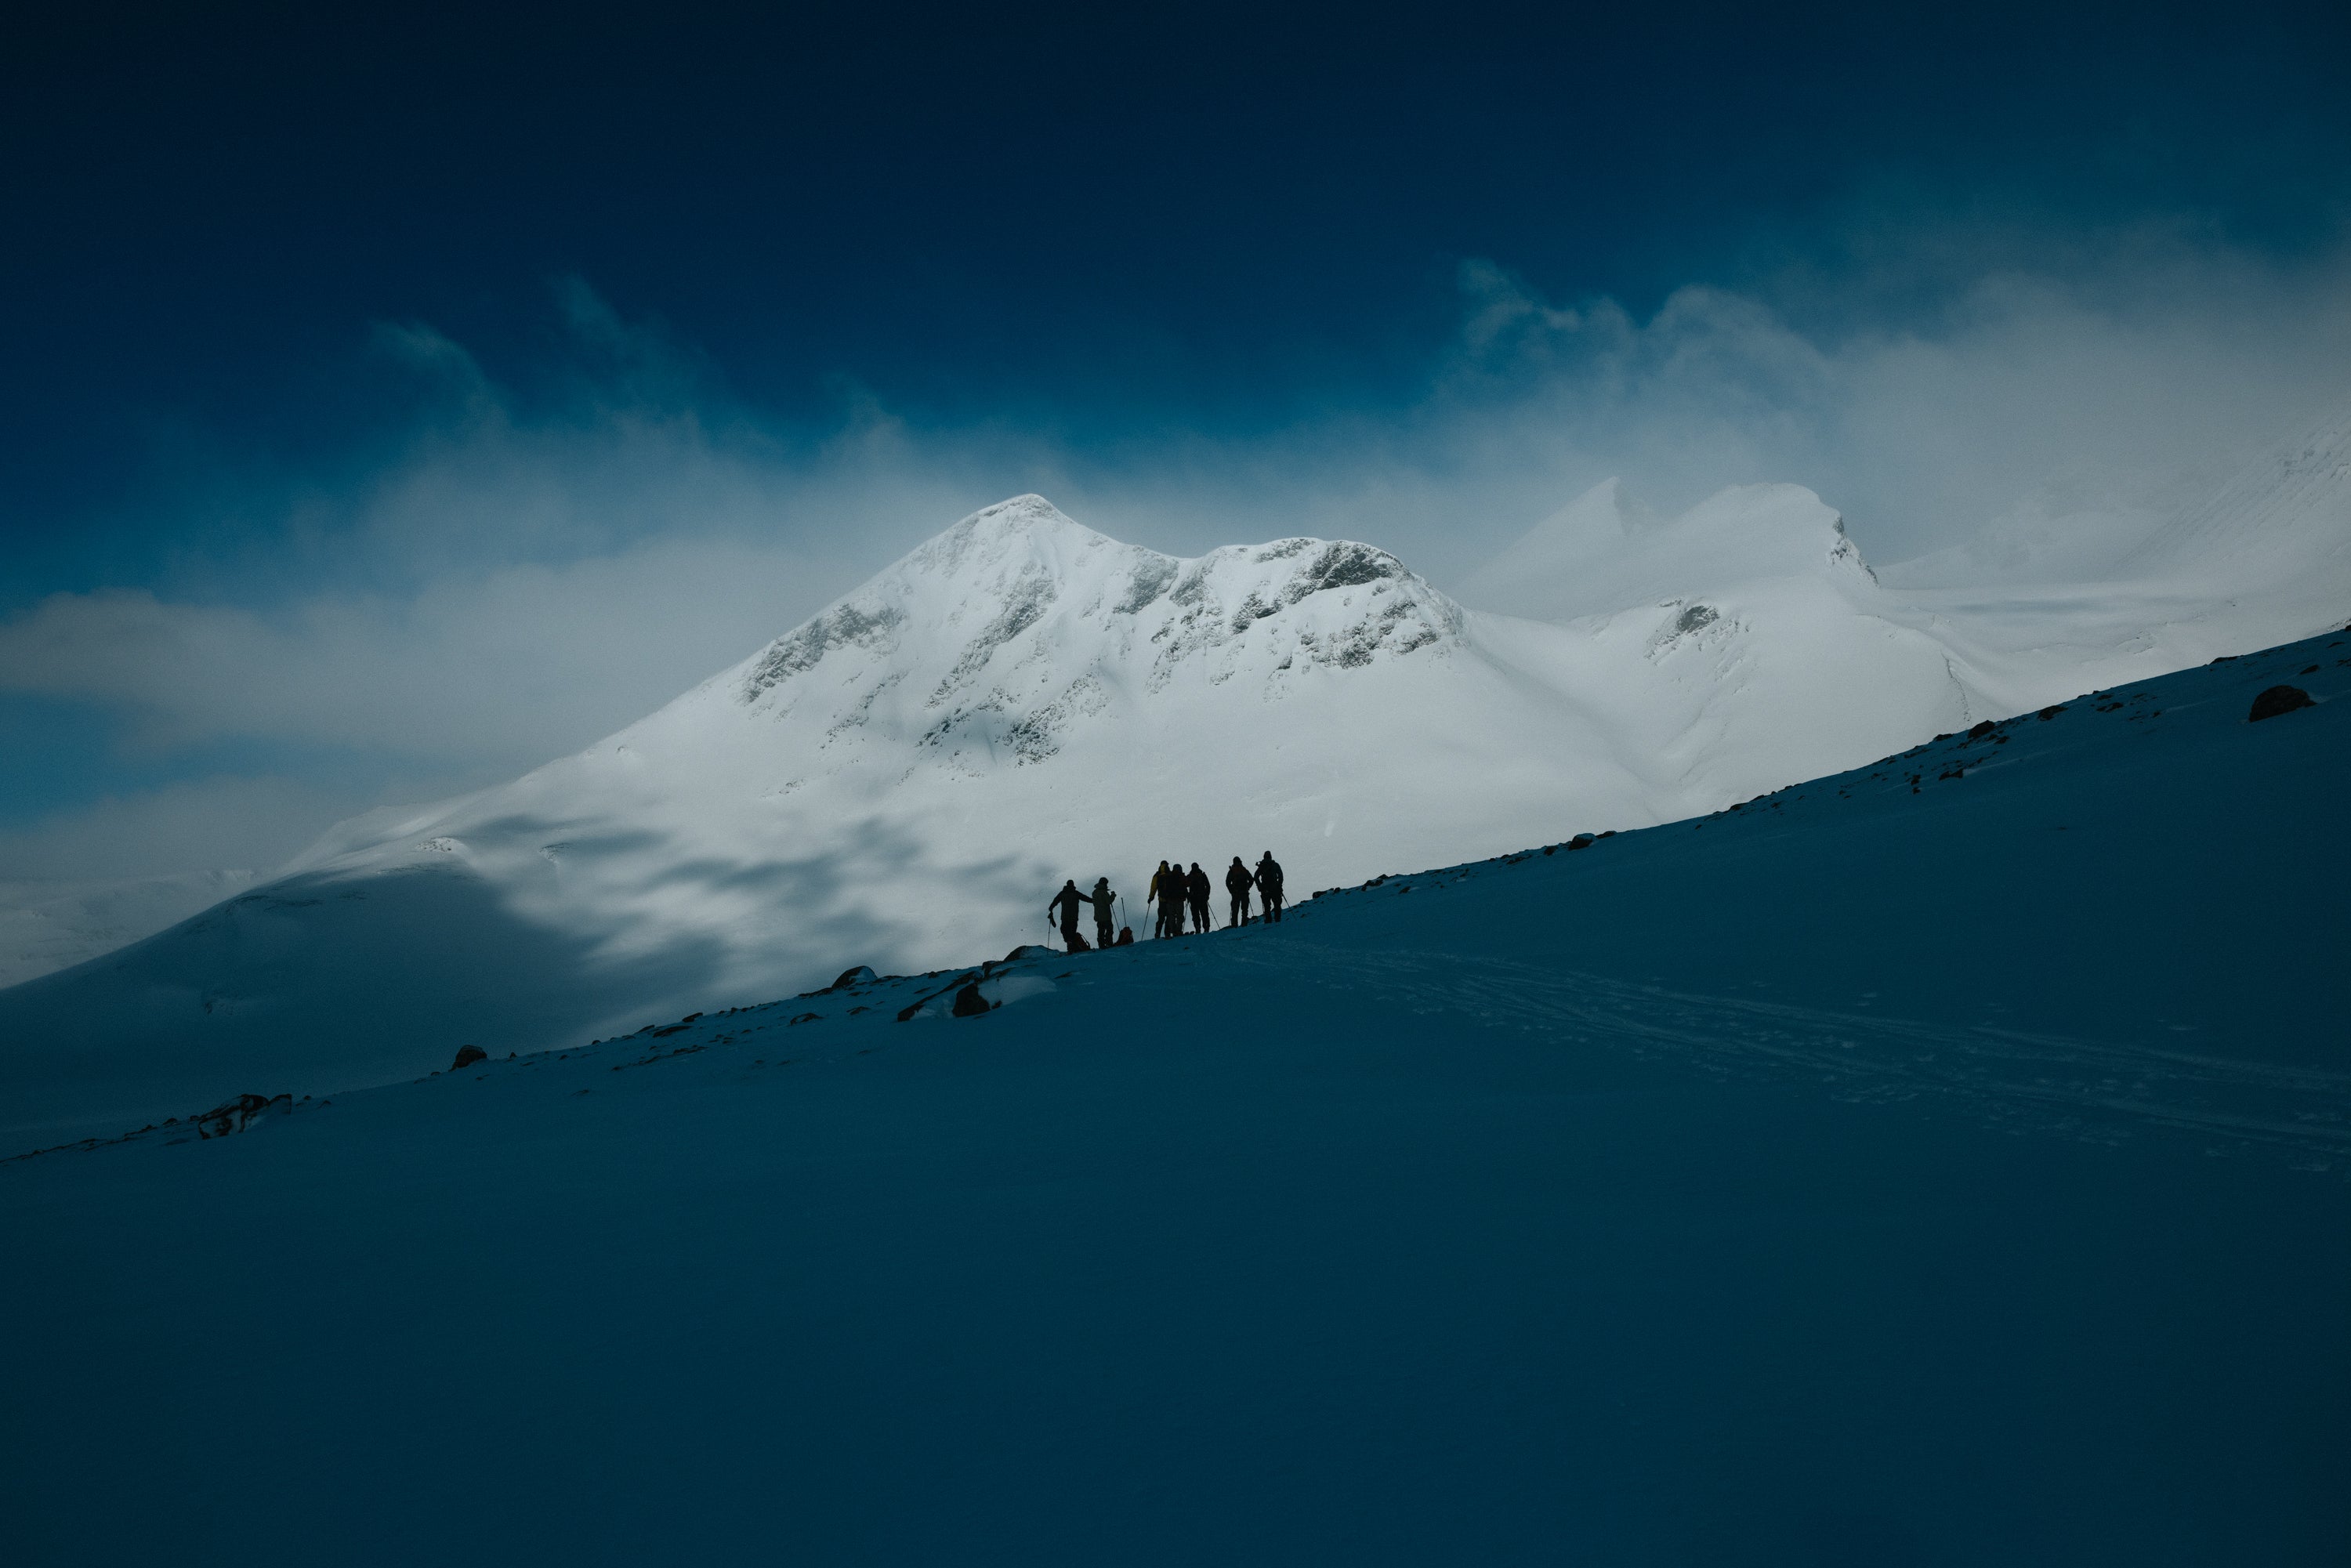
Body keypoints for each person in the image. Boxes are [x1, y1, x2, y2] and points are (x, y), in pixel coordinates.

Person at [1048, 878, 1089, 952]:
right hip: (1074, 917)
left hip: (1065, 917)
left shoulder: (1062, 893)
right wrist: (1094, 901)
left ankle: (1070, 947)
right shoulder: (1076, 893)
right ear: (1073, 885)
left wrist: (1051, 908)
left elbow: (1055, 901)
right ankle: (1072, 948)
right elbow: (1085, 898)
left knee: (1064, 931)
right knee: (1072, 932)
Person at [1078, 876, 1118, 950]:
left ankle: (1101, 945)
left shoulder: (1094, 892)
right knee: (1109, 929)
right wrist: (1113, 895)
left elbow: (1094, 903)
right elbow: (1108, 901)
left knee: (1101, 931)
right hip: (1106, 915)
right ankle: (1109, 943)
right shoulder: (1104, 892)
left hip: (1098, 915)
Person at [1157, 856, 1189, 936]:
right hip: (1179, 899)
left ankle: (1173, 931)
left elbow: (1165, 888)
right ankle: (1178, 931)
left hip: (1170, 900)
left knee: (1171, 916)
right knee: (1179, 916)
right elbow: (1187, 884)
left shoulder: (1168, 876)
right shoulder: (1181, 876)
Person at [1147, 860, 1175, 937]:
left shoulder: (1157, 876)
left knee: (1161, 918)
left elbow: (1153, 888)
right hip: (1170, 900)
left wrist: (1151, 897)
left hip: (1161, 900)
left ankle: (1157, 933)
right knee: (1169, 917)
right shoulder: (1170, 874)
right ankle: (1167, 933)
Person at [1256, 850, 1285, 923]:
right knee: (1277, 904)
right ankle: (1277, 919)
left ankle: (1268, 920)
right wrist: (1279, 885)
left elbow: (1256, 876)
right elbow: (1281, 876)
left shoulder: (1262, 866)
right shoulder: (1275, 865)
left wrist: (1260, 886)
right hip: (1275, 888)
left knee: (1267, 905)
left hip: (1265, 889)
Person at [1225, 856, 1255, 927]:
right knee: (1244, 910)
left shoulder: (1232, 871)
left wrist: (1231, 891)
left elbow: (1227, 882)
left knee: (1235, 911)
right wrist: (1248, 887)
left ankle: (1234, 925)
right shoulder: (1244, 870)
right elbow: (1251, 879)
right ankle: (1244, 924)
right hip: (1244, 892)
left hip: (1236, 893)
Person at [1186, 862, 1212, 932]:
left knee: (1195, 914)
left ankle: (1197, 928)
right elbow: (1208, 886)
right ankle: (1206, 928)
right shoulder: (1202, 875)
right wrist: (1207, 895)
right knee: (1205, 914)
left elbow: (1184, 886)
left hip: (1193, 899)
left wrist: (1188, 895)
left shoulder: (1190, 876)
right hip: (1202, 897)